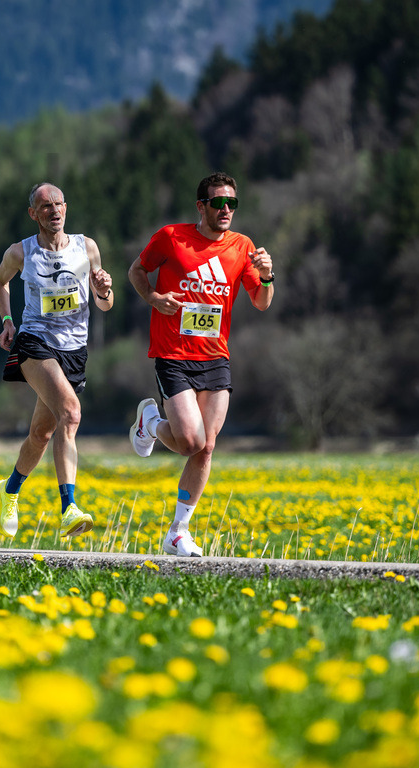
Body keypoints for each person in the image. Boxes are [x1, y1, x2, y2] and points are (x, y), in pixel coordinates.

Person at [127, 171, 274, 557]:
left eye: (232, 203)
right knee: (190, 441)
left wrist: (269, 275)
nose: (226, 210)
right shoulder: (171, 237)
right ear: (201, 206)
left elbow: (262, 301)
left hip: (215, 357)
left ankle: (178, 531)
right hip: (172, 354)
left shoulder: (243, 247)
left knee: (206, 448)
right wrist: (154, 299)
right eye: (218, 202)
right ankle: (151, 424)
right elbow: (136, 271)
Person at [0, 181, 114, 540]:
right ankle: (69, 508)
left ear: (66, 208)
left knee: (42, 433)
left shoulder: (86, 247)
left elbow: (104, 303)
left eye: (59, 204)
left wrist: (105, 290)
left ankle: (9, 489)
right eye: (46, 206)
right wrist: (7, 321)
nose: (54, 211)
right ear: (34, 214)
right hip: (35, 342)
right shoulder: (20, 252)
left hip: (75, 349)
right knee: (71, 413)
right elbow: (0, 283)